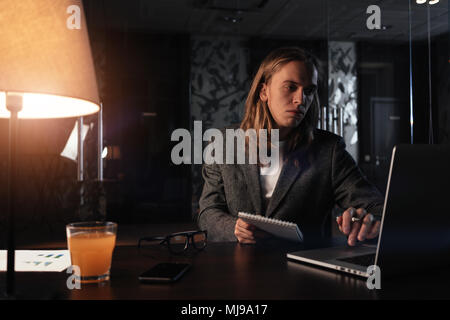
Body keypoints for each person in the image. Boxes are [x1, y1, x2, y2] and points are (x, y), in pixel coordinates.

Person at [197, 47, 383, 246]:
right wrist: (234, 227)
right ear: (264, 91)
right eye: (290, 87)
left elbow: (377, 208)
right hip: (237, 268)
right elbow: (207, 213)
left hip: (302, 270)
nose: (301, 100)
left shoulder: (329, 150)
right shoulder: (224, 142)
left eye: (309, 91)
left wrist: (366, 219)